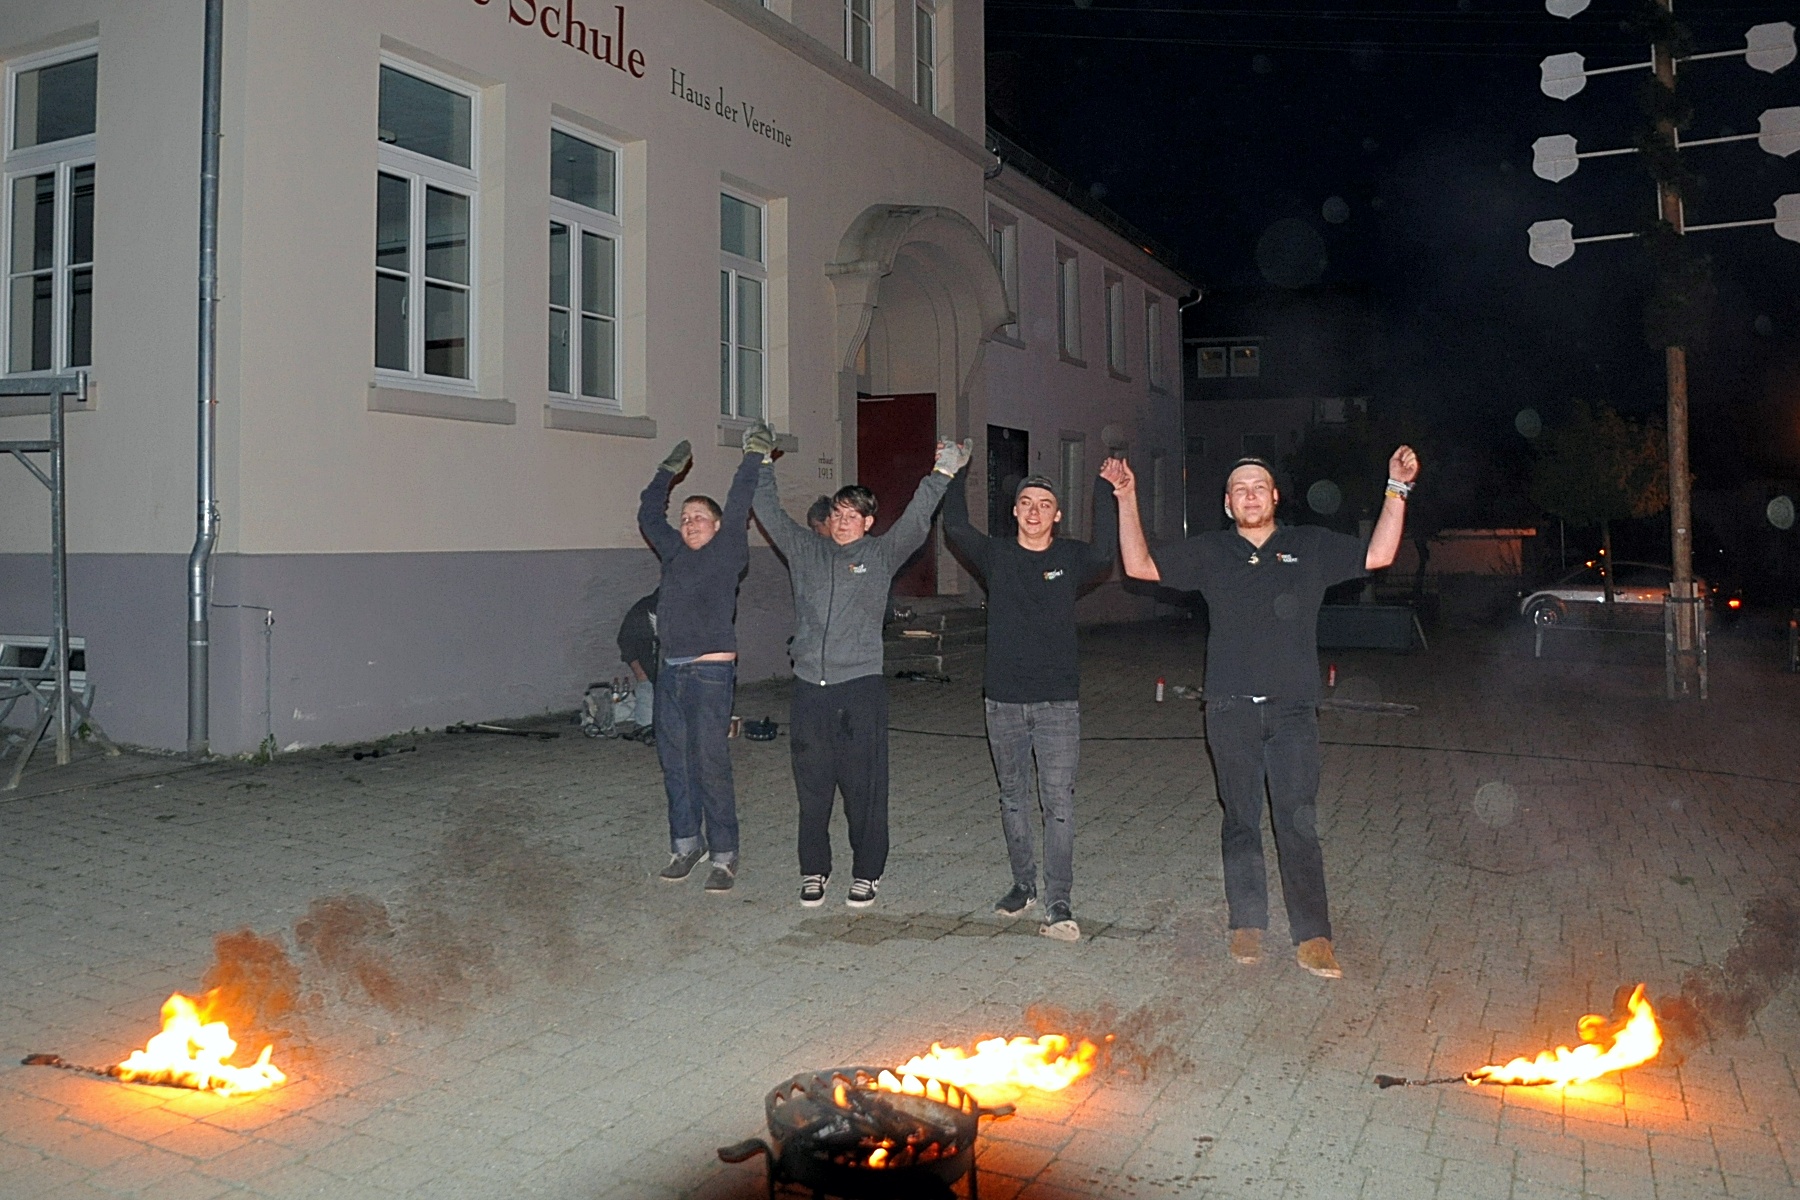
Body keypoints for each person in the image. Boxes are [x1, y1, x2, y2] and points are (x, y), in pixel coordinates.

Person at [1105, 447, 1420, 978]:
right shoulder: (1211, 551)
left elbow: (1379, 554)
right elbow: (1139, 566)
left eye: (1258, 486)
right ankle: (1247, 922)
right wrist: (1126, 496)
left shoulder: (1308, 546)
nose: (1249, 495)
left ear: (1274, 496)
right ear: (1228, 504)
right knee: (1240, 820)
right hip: (1228, 709)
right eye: (1239, 489)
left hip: (1294, 711)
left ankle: (1314, 935)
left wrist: (1397, 488)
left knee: (1298, 823)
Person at [754, 436, 969, 908]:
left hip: (859, 689)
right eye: (837, 513)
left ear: (868, 523)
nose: (842, 521)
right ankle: (814, 870)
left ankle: (867, 872)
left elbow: (916, 519)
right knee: (812, 788)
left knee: (862, 788)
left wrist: (943, 472)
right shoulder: (806, 551)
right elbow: (768, 511)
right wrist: (760, 460)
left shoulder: (880, 555)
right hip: (810, 689)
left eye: (853, 515)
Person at [943, 464, 1116, 941]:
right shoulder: (996, 556)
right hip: (1003, 700)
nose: (1034, 512)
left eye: (1044, 505)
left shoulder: (1071, 557)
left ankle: (1059, 899)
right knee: (1012, 796)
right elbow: (956, 527)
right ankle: (1023, 885)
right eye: (1026, 504)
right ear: (1015, 512)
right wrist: (953, 473)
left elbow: (1105, 553)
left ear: (1057, 515)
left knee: (1058, 802)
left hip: (1058, 701)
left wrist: (1103, 487)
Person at [638, 437, 762, 893]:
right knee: (675, 762)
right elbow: (649, 516)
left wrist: (753, 456)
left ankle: (724, 855)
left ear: (717, 525)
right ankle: (686, 844)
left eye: (699, 517)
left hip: (709, 673)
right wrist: (665, 474)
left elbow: (740, 498)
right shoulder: (674, 552)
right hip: (670, 670)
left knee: (710, 762)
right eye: (685, 517)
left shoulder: (727, 551)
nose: (690, 523)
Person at [616, 589, 659, 742]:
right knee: (646, 726)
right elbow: (625, 640)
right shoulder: (644, 608)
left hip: (678, 675)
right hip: (650, 674)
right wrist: (639, 671)